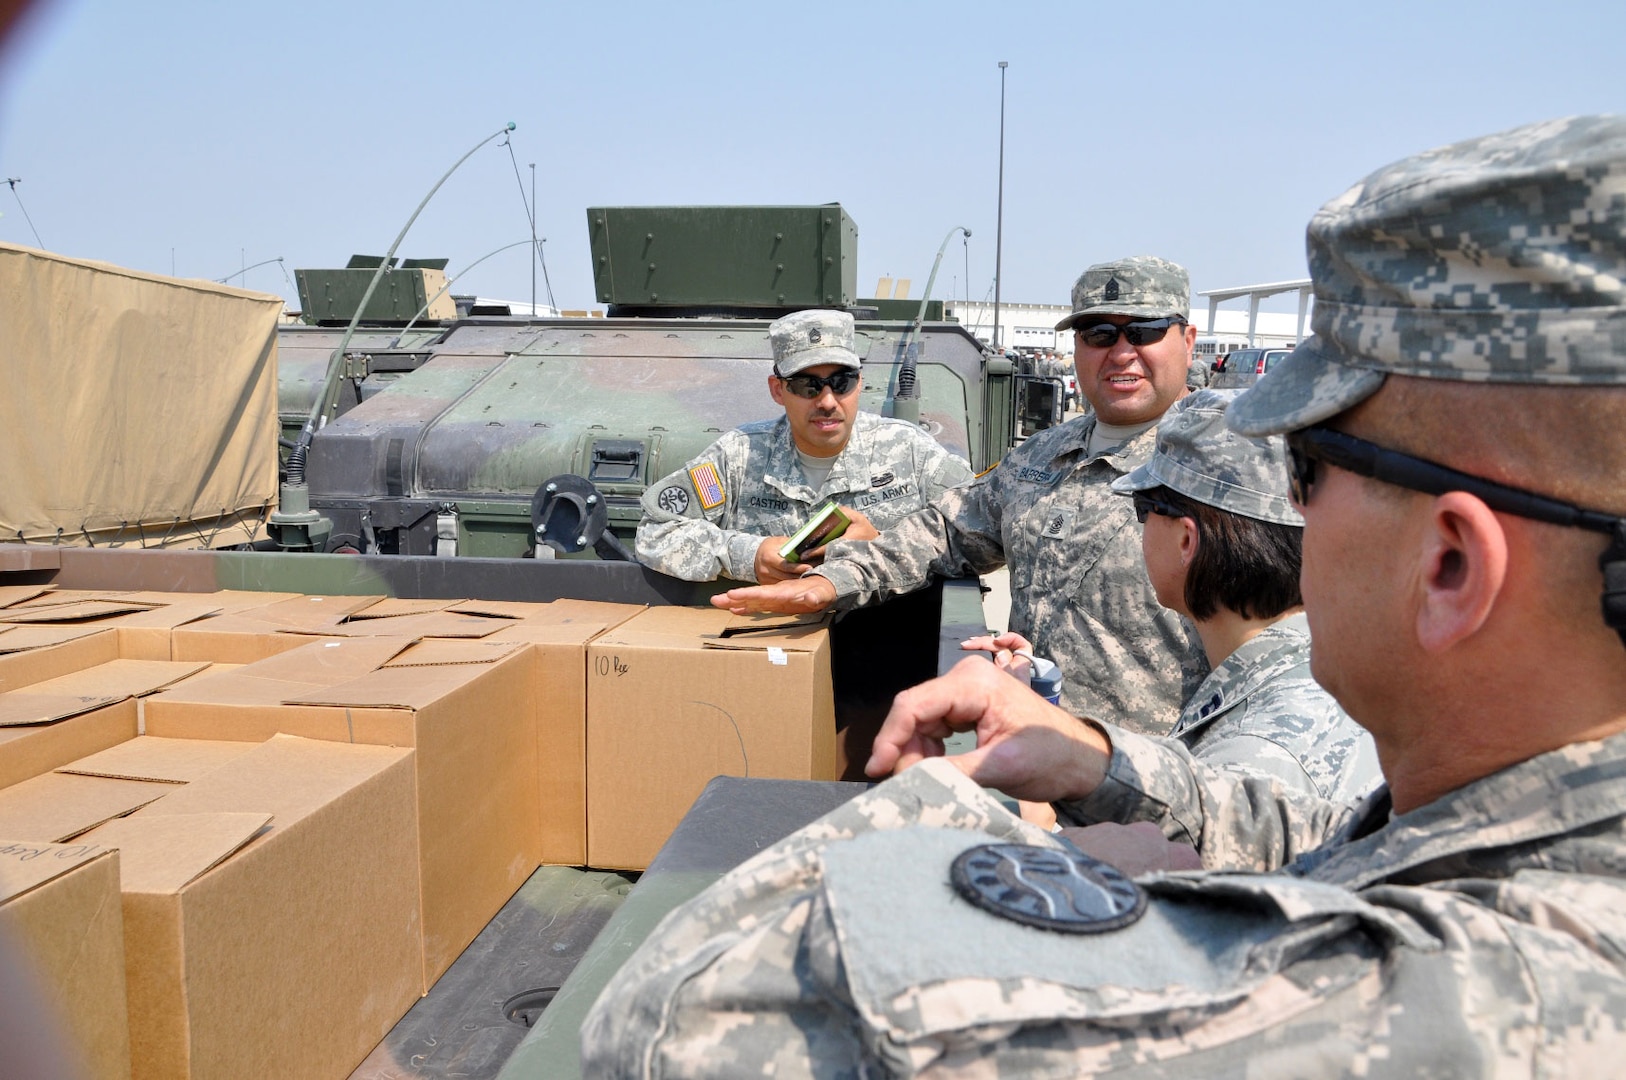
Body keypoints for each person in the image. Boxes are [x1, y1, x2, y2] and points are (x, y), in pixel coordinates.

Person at [581, 115, 1626, 1075]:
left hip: (1117, 865)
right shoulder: (1476, 811)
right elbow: (1297, 822)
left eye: (1306, 479)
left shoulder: (1445, 992)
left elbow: (663, 1027)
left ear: (1451, 566)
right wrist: (1088, 755)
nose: (1119, 351)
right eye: (1097, 332)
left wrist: (941, 818)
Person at [712, 257, 1210, 734]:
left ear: (1187, 340)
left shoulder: (1228, 464)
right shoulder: (1041, 456)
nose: (1121, 352)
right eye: (1098, 334)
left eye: (1144, 331)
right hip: (1029, 755)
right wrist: (831, 581)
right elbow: (944, 532)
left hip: (1157, 785)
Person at [973, 387, 1381, 800]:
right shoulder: (1334, 673)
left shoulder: (1249, 761)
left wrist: (1034, 808)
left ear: (1187, 541)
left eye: (1144, 507)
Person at [635, 308, 973, 583]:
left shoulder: (911, 452)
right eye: (807, 385)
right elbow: (655, 533)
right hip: (773, 647)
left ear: (860, 384)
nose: (827, 401)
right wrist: (746, 555)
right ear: (778, 390)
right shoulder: (738, 457)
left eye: (841, 382)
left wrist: (883, 547)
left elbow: (977, 535)